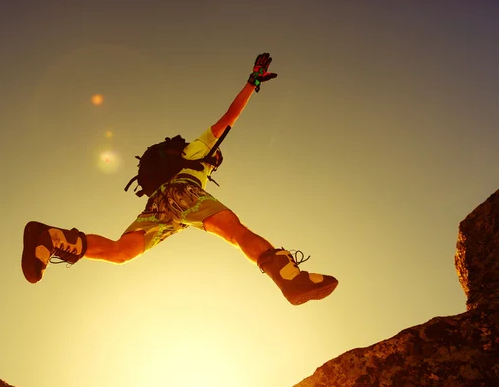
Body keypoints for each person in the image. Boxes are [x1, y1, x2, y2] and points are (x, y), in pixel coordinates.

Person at [21, 53, 338, 305]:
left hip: (159, 206)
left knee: (121, 252)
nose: (216, 160)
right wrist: (252, 82)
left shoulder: (192, 164)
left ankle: (50, 237)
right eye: (217, 159)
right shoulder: (197, 149)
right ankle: (289, 278)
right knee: (236, 232)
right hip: (182, 194)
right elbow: (230, 117)